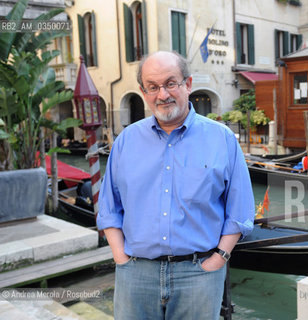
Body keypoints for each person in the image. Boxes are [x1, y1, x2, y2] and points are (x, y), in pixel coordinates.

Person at [97, 51, 255, 319]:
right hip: (136, 273)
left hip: (199, 274)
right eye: (153, 87)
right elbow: (109, 207)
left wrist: (218, 259)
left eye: (171, 83)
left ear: (188, 84)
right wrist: (120, 257)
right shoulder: (126, 141)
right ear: (143, 91)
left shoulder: (222, 138)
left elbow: (240, 211)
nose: (163, 94)